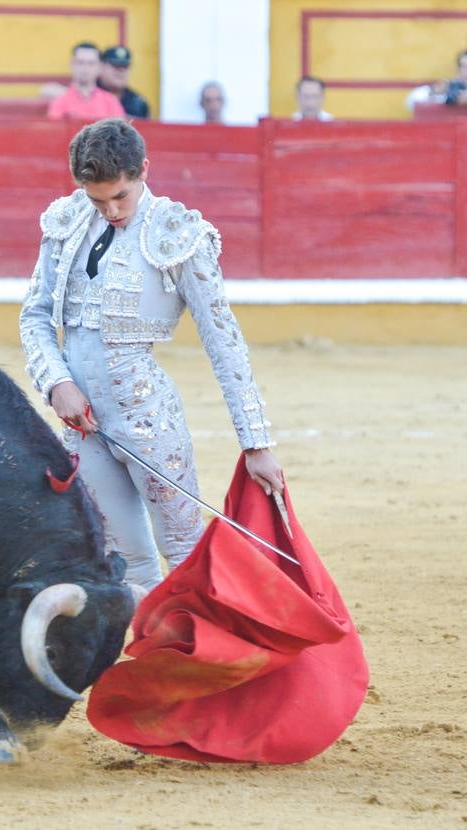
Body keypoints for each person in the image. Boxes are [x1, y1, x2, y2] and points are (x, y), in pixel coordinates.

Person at [19, 117, 283, 596]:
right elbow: (34, 316)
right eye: (98, 199)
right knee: (124, 560)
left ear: (144, 169)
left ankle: (204, 665)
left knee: (183, 551)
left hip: (147, 418)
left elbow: (223, 340)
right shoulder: (66, 219)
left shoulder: (179, 234)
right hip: (84, 427)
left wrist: (257, 443)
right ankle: (153, 667)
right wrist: (57, 383)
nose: (111, 210)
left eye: (121, 196)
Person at [47, 42, 124, 120]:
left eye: (91, 63)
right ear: (72, 64)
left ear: (99, 67)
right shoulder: (60, 102)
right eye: (80, 62)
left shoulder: (111, 102)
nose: (85, 68)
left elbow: (121, 130)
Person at [97, 45, 150, 119]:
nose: (121, 71)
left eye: (125, 67)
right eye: (116, 66)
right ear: (102, 66)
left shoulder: (137, 103)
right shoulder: (91, 94)